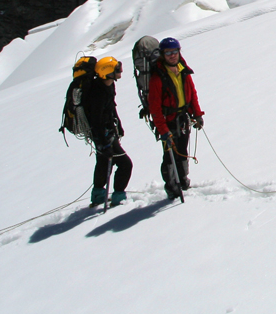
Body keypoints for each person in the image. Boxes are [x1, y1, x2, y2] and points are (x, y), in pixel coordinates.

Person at [147, 37, 205, 199]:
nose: (172, 55)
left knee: (182, 151)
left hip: (182, 118)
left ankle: (183, 180)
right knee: (170, 154)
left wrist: (197, 114)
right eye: (168, 53)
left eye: (175, 52)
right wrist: (163, 130)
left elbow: (192, 94)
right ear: (162, 55)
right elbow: (155, 108)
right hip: (168, 120)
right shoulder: (157, 77)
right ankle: (172, 186)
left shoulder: (183, 69)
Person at [83, 56, 133, 207]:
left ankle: (98, 195)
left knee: (104, 163)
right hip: (104, 135)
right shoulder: (98, 92)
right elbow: (96, 120)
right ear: (107, 72)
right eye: (117, 70)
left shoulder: (107, 85)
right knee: (125, 165)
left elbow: (111, 107)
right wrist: (104, 144)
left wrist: (118, 125)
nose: (120, 72)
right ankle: (118, 197)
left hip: (105, 133)